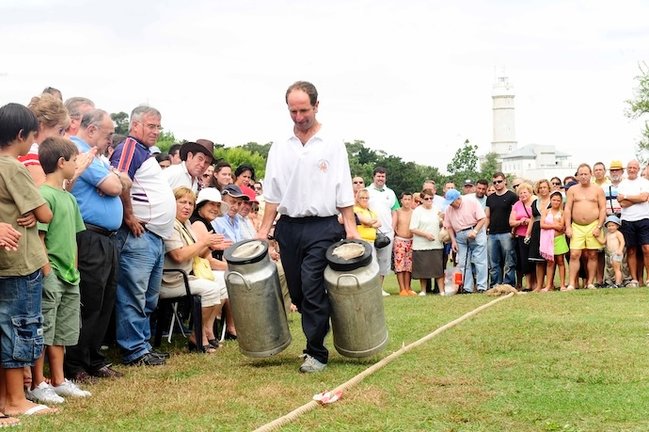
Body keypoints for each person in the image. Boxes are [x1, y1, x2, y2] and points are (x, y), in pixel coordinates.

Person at [257, 81, 359, 373]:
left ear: (316, 106)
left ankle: (316, 352)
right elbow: (273, 194)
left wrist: (350, 229)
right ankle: (320, 328)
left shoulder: (332, 143)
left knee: (312, 284)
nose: (299, 117)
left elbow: (343, 190)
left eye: (304, 110)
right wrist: (264, 231)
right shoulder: (280, 146)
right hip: (289, 227)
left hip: (323, 227)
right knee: (299, 292)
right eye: (293, 111)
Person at [0, 103, 56, 419]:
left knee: (4, 328)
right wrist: (35, 213)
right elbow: (44, 211)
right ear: (21, 135)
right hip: (20, 262)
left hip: (3, 262)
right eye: (32, 137)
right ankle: (17, 401)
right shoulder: (14, 167)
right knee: (20, 328)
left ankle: (4, 399)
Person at [65, 109, 128, 383]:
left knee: (105, 301)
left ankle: (94, 360)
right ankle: (76, 365)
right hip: (89, 237)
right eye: (108, 134)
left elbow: (123, 181)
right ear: (91, 131)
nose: (110, 140)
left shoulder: (98, 157)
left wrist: (115, 179)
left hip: (107, 238)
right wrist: (113, 180)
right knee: (89, 301)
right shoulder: (79, 151)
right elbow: (115, 186)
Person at [110, 105, 176, 366]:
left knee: (147, 296)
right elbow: (120, 178)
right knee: (133, 295)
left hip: (154, 236)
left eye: (158, 126)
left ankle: (142, 345)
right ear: (134, 125)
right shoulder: (128, 147)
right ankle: (134, 350)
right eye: (151, 126)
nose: (156, 131)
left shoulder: (145, 152)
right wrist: (128, 215)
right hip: (139, 235)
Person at [30, 137, 91, 404]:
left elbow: (74, 239)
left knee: (63, 332)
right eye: (75, 159)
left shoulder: (69, 197)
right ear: (61, 162)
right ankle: (37, 383)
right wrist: (48, 272)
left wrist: (74, 271)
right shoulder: (44, 195)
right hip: (51, 273)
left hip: (69, 276)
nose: (77, 164)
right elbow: (39, 239)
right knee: (44, 329)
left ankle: (58, 380)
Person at [163, 187, 228, 352]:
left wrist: (210, 246)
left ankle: (204, 332)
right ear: (172, 203)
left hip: (187, 276)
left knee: (220, 284)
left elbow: (197, 254)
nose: (187, 206)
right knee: (212, 288)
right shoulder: (170, 224)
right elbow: (178, 256)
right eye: (182, 202)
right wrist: (204, 242)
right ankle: (196, 336)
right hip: (171, 280)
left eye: (190, 203)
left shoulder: (187, 223)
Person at [564, 163, 606, 290]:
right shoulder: (572, 190)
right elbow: (567, 208)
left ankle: (590, 282)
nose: (583, 177)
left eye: (586, 174)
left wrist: (599, 227)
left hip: (593, 225)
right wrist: (568, 226)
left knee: (593, 254)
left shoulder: (598, 189)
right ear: (577, 176)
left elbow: (603, 208)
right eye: (581, 174)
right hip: (576, 225)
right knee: (574, 254)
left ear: (590, 175)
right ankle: (571, 283)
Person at [19, 93, 70, 187]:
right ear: (41, 125)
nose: (63, 137)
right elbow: (45, 195)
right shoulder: (31, 154)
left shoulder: (38, 153)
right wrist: (75, 172)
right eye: (60, 130)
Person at [444, 189, 488, 293]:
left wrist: (475, 231)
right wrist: (453, 241)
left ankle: (481, 287)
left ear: (458, 199)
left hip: (475, 231)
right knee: (463, 262)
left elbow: (482, 218)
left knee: (480, 261)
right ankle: (467, 288)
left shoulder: (471, 201)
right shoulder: (448, 209)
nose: (450, 205)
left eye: (452, 202)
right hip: (460, 235)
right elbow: (449, 226)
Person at [367, 166, 400, 295]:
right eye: (378, 176)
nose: (381, 179)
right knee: (372, 260)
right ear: (373, 177)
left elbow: (395, 211)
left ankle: (379, 288)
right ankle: (372, 289)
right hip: (370, 231)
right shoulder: (367, 191)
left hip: (387, 232)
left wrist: (392, 228)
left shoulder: (390, 193)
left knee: (384, 261)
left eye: (383, 176)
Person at [617, 160, 649, 288]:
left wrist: (626, 196)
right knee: (631, 250)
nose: (632, 170)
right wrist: (638, 198)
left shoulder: (645, 182)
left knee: (646, 249)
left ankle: (648, 279)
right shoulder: (622, 183)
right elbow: (622, 204)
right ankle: (634, 279)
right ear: (626, 169)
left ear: (638, 169)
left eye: (634, 167)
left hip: (644, 218)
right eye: (629, 167)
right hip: (627, 220)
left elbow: (644, 198)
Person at [409, 189, 445, 295]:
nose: (429, 200)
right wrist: (426, 235)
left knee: (438, 268)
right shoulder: (417, 211)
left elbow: (441, 224)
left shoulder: (436, 209)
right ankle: (423, 290)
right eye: (426, 199)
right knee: (423, 268)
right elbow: (412, 228)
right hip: (421, 244)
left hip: (436, 244)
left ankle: (441, 291)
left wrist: (442, 221)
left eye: (431, 198)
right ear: (421, 199)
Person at [485, 172, 517, 287]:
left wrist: (513, 230)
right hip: (492, 234)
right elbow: (487, 216)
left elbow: (515, 214)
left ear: (505, 181)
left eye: (499, 181)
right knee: (493, 262)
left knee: (509, 261)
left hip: (507, 233)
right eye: (494, 182)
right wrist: (485, 231)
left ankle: (509, 284)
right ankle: (495, 285)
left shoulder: (512, 196)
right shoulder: (490, 198)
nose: (497, 184)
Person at [526, 180, 551, 291]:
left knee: (550, 259)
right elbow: (532, 218)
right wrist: (528, 233)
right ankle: (539, 285)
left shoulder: (554, 200)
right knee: (538, 260)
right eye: (540, 187)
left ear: (549, 188)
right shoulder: (535, 202)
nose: (542, 189)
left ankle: (549, 285)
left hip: (550, 230)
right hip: (536, 230)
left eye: (545, 187)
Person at [540, 191, 568, 291]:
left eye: (558, 200)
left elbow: (561, 227)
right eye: (554, 200)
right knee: (550, 262)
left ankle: (562, 285)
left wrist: (553, 225)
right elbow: (542, 225)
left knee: (560, 261)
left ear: (561, 201)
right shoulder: (546, 211)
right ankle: (548, 285)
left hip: (559, 239)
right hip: (548, 240)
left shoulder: (562, 212)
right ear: (550, 200)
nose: (556, 202)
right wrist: (554, 225)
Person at [393, 192, 415, 296]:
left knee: (408, 266)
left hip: (411, 240)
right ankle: (402, 289)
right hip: (400, 240)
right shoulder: (397, 212)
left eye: (409, 199)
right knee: (400, 265)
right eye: (405, 199)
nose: (407, 201)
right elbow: (393, 226)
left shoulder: (414, 212)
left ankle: (408, 287)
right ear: (401, 200)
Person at [596, 215, 625, 287]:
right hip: (610, 254)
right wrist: (597, 237)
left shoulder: (618, 233)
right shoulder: (608, 234)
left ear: (617, 226)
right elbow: (603, 242)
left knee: (617, 269)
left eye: (613, 225)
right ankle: (612, 281)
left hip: (616, 253)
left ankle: (618, 283)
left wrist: (620, 250)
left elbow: (622, 242)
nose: (611, 227)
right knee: (611, 268)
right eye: (609, 226)